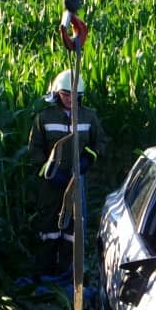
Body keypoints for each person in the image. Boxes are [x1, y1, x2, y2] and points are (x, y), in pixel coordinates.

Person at [26, 68, 109, 277]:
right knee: (49, 229)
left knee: (73, 229)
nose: (70, 99)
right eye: (65, 94)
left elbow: (100, 142)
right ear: (56, 94)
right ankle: (45, 271)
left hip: (76, 182)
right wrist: (49, 171)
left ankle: (69, 273)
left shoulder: (89, 116)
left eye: (75, 95)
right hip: (50, 184)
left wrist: (88, 158)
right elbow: (34, 149)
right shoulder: (43, 117)